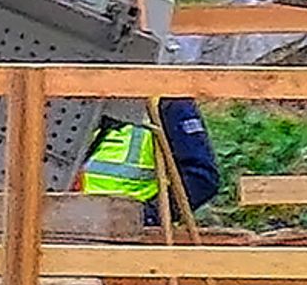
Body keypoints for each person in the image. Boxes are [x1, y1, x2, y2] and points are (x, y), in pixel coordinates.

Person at [74, 95, 224, 223]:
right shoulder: (72, 95)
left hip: (134, 239)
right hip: (68, 226)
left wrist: (145, 217)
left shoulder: (166, 103)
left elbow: (201, 178)